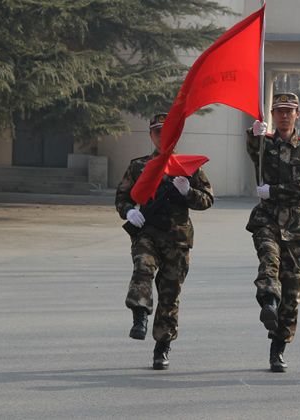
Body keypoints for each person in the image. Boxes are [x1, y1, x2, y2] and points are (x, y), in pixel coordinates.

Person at [115, 113, 214, 370]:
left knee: (170, 295)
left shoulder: (189, 167)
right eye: (157, 132)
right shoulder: (138, 166)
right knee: (142, 268)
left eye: (166, 131)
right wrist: (129, 212)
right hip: (147, 233)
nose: (162, 136)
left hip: (178, 239)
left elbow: (207, 200)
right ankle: (139, 315)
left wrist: (187, 191)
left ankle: (162, 346)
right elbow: (122, 197)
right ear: (151, 135)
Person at [246, 92, 300, 372]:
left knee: (293, 290)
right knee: (269, 259)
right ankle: (268, 300)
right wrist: (253, 135)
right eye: (278, 111)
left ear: (297, 114)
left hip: (297, 227)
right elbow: (253, 153)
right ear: (273, 115)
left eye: (288, 111)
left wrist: (274, 190)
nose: (283, 115)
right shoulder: (264, 144)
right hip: (267, 218)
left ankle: (278, 347)